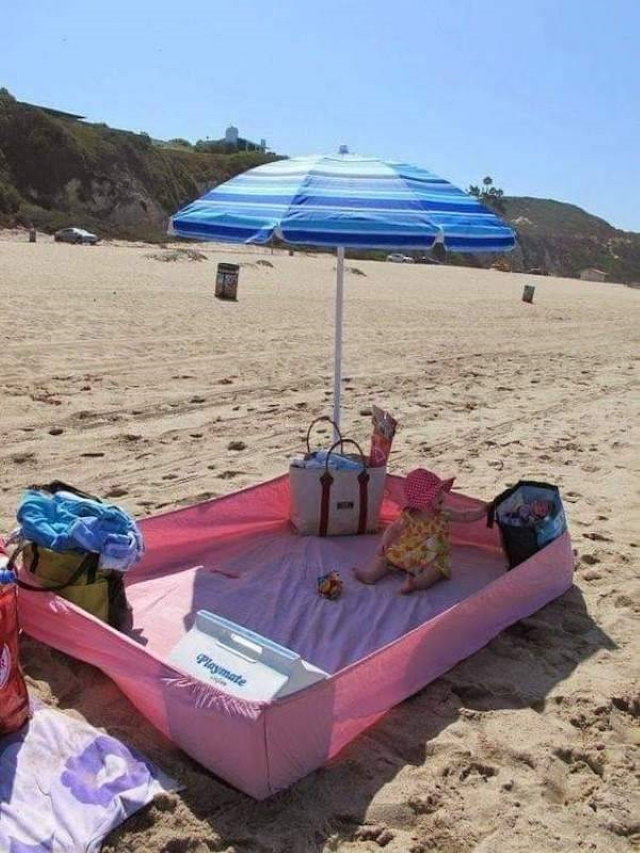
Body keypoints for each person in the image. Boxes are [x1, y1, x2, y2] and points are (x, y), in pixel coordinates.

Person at [354, 468, 487, 594]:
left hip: (434, 557)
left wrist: (483, 511)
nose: (442, 495)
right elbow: (393, 528)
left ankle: (415, 583)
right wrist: (384, 542)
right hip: (409, 552)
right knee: (386, 557)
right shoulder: (410, 515)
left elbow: (465, 516)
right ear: (423, 502)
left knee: (435, 571)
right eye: (436, 494)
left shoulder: (444, 513)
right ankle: (370, 575)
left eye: (440, 491)